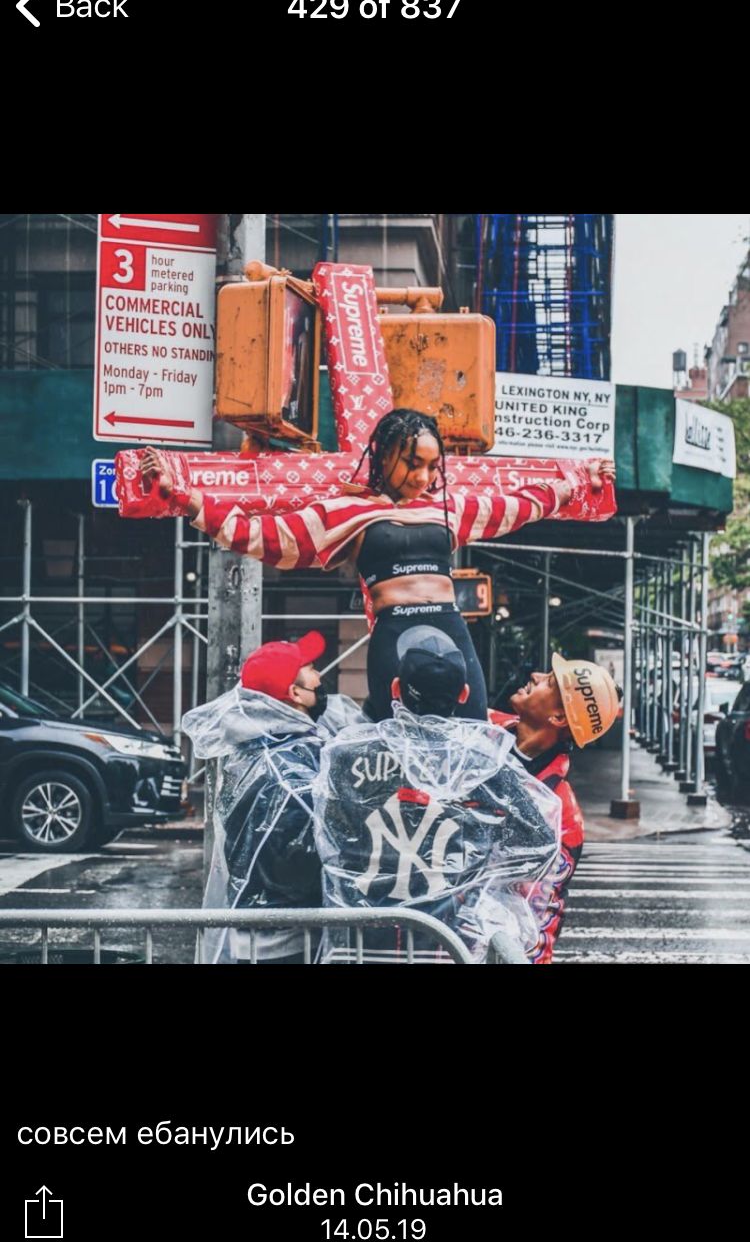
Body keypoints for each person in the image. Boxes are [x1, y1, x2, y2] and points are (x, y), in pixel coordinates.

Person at [139, 408, 616, 722]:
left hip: (454, 634)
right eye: (413, 462)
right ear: (384, 455)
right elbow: (267, 538)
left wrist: (579, 483)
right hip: (394, 639)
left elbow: (517, 505)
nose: (424, 476)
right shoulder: (346, 511)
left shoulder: (447, 508)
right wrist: (184, 498)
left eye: (433, 466)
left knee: (468, 739)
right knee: (397, 743)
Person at [311, 626, 561, 963]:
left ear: (396, 689)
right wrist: (477, 865)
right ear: (464, 694)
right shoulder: (484, 764)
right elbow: (541, 847)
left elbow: (327, 837)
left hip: (360, 942)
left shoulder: (346, 752)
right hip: (445, 944)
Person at [183, 630, 358, 963]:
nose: (319, 676)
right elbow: (302, 857)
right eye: (310, 669)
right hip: (285, 942)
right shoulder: (289, 768)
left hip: (261, 935)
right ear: (294, 694)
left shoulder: (258, 750)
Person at [488, 653, 622, 963]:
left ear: (558, 718)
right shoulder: (479, 727)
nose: (534, 675)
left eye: (548, 681)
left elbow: (540, 916)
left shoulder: (560, 813)